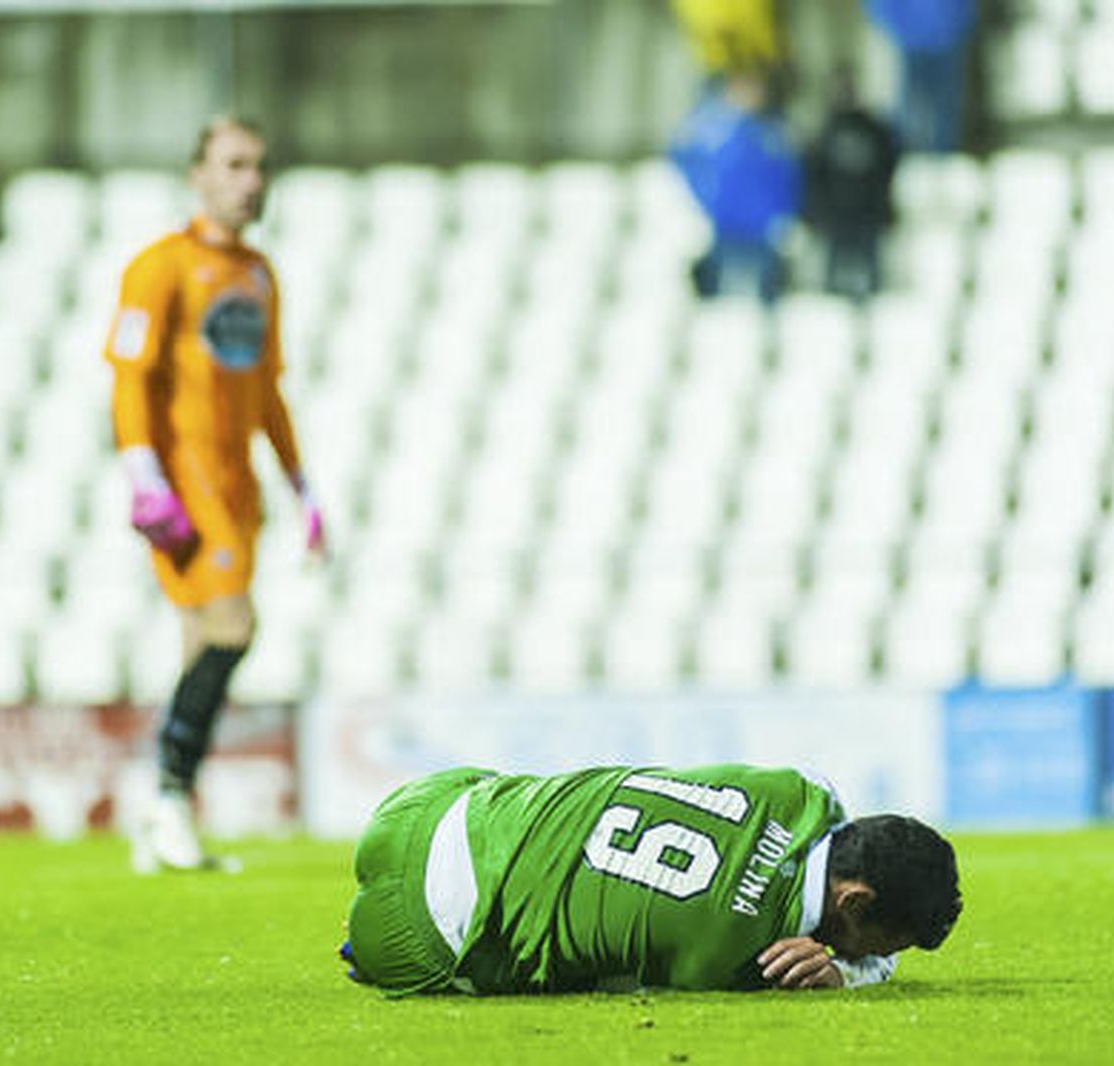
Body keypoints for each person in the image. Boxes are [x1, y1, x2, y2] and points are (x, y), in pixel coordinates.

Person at [104, 116, 325, 873]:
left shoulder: (258, 275)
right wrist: (144, 477)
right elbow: (129, 377)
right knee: (233, 629)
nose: (250, 182)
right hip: (186, 488)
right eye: (233, 166)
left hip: (240, 489)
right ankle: (166, 798)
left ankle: (165, 821)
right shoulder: (160, 267)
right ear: (197, 174)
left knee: (202, 643)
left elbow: (267, 392)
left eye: (259, 167)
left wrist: (302, 485)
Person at [340, 763, 961, 995]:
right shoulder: (746, 957)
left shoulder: (803, 791)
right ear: (853, 900)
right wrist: (848, 974)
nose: (886, 959)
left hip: (434, 802)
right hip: (417, 930)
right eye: (891, 945)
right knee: (585, 972)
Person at [668, 70, 803, 304]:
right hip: (724, 226)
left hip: (761, 230)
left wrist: (781, 211)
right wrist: (707, 199)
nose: (750, 97)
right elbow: (683, 161)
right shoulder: (711, 131)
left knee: (763, 299)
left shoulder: (772, 133)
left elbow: (788, 177)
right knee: (718, 303)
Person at [803, 66, 901, 303]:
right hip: (836, 220)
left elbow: (888, 170)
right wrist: (815, 214)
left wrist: (884, 210)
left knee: (872, 287)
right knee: (833, 290)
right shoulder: (824, 132)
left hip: (868, 218)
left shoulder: (876, 130)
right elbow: (814, 176)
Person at [864, 0, 976, 154]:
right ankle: (908, 154)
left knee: (946, 107)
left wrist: (958, 24)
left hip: (946, 40)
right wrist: (897, 30)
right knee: (911, 105)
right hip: (909, 44)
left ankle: (943, 156)